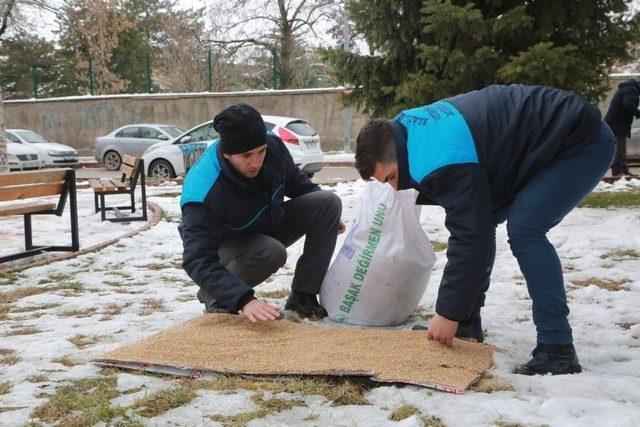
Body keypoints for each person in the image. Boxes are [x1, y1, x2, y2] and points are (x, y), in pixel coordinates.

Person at [354, 84, 615, 375]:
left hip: (579, 142)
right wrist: (458, 314)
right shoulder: (404, 129)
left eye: (391, 177)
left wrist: (447, 313)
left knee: (525, 230)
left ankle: (557, 348)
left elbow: (469, 236)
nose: (394, 187)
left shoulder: (438, 156)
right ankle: (467, 323)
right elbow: (476, 222)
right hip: (534, 146)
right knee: (485, 217)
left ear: (396, 155)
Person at [179, 103, 344, 323]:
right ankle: (217, 295)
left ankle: (303, 296)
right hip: (227, 248)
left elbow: (297, 182)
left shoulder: (272, 146)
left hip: (266, 223)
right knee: (271, 251)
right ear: (227, 154)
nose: (256, 162)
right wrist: (244, 299)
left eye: (261, 152)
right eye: (246, 156)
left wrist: (327, 218)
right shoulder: (202, 191)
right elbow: (196, 259)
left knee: (327, 203)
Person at [604, 79, 640, 178]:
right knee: (619, 148)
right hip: (617, 123)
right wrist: (638, 113)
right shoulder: (632, 90)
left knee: (622, 147)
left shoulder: (628, 89)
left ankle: (623, 169)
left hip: (617, 123)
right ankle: (617, 171)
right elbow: (628, 104)